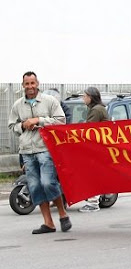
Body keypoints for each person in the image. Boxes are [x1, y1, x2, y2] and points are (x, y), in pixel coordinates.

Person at [8, 71, 72, 234]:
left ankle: (63, 215)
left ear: (38, 84)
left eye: (33, 83)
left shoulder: (50, 101)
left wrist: (39, 120)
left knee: (47, 183)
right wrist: (22, 125)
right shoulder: (17, 105)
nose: (30, 86)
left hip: (45, 149)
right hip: (27, 152)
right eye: (27, 84)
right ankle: (48, 223)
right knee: (35, 187)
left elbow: (61, 120)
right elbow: (12, 126)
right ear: (23, 85)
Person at [78, 87, 110, 213]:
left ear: (90, 97)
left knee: (91, 173)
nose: (83, 98)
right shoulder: (98, 108)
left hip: (96, 148)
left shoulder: (96, 110)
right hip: (100, 147)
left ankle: (93, 202)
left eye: (84, 96)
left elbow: (89, 129)